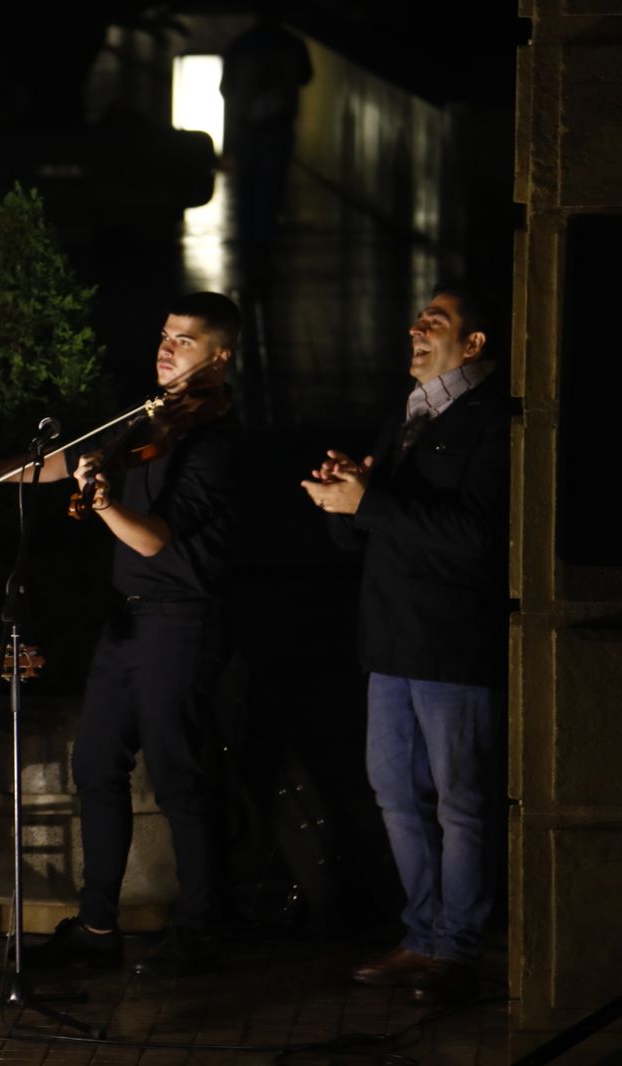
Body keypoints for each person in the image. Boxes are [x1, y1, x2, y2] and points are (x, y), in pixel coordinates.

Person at [0, 292, 243, 978]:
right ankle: (97, 926)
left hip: (182, 621)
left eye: (186, 341)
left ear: (219, 358)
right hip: (129, 620)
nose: (167, 348)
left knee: (179, 778)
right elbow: (67, 458)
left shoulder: (216, 439)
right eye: (166, 335)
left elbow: (154, 540)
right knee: (96, 766)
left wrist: (104, 503)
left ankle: (203, 929)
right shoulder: (151, 418)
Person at [301, 283, 507, 1005]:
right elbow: (369, 529)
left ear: (474, 344)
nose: (416, 331)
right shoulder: (409, 413)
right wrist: (343, 497)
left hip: (453, 645)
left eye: (436, 322)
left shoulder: (494, 419)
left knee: (462, 803)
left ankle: (458, 949)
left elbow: (478, 539)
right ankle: (420, 936)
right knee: (396, 797)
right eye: (416, 320)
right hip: (387, 643)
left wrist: (373, 500)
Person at [219, 2, 312, 288]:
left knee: (247, 189)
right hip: (278, 128)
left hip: (248, 129)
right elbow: (306, 76)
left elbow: (226, 88)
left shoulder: (241, 45)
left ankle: (250, 248)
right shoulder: (292, 44)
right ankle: (264, 244)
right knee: (271, 189)